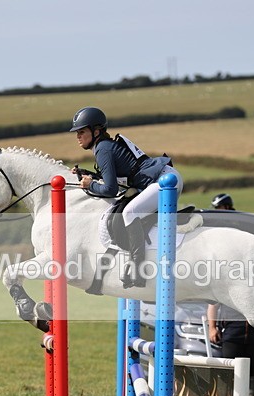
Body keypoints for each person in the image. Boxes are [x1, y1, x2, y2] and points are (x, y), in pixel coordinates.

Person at [69, 106, 183, 288]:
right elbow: (115, 179)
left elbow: (111, 189)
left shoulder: (102, 149)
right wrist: (88, 175)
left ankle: (138, 269)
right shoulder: (105, 146)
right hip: (162, 178)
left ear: (96, 131)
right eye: (77, 133)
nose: (78, 137)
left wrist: (90, 184)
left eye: (82, 132)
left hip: (164, 181)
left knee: (129, 212)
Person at [207, 303, 254, 396]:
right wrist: (212, 328)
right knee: (230, 369)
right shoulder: (226, 287)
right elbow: (212, 305)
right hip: (232, 334)